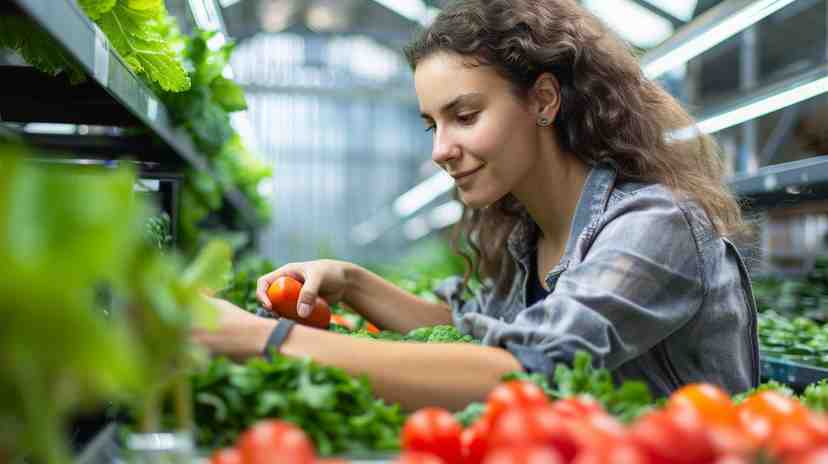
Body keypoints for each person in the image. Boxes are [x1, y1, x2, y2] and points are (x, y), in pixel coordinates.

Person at [193, 0, 759, 411]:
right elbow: (471, 333)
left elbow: (522, 369)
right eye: (431, 124)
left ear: (542, 100)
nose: (440, 150)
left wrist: (255, 339)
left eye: (465, 116)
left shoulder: (656, 225)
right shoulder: (524, 236)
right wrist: (352, 283)